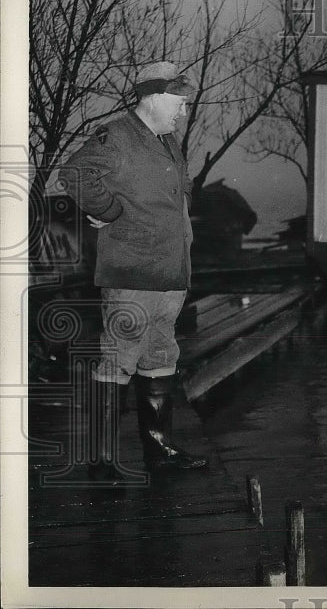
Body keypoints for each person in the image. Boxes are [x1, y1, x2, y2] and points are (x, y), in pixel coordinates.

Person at [60, 61, 207, 486]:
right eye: (179, 103)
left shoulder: (167, 140)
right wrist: (109, 211)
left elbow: (180, 188)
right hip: (132, 273)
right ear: (156, 97)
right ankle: (103, 461)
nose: (182, 112)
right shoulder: (117, 135)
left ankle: (159, 451)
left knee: (160, 356)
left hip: (169, 272)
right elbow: (74, 173)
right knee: (117, 360)